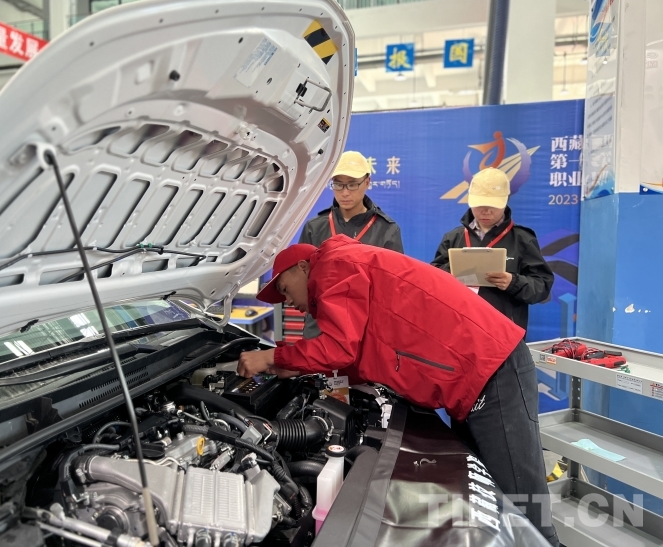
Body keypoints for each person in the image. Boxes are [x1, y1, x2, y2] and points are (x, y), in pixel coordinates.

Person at [238, 236, 560, 547]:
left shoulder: (334, 266)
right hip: (474, 376)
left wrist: (272, 358)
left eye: (285, 289)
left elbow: (339, 348)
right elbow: (358, 355)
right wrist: (299, 367)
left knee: (525, 513)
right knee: (492, 509)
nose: (289, 303)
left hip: (491, 367)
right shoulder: (345, 267)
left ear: (303, 267)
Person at [431, 167, 554, 332]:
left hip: (504, 331)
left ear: (505, 202)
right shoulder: (453, 238)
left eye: (493, 206)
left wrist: (513, 282)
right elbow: (433, 278)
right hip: (460, 328)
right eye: (480, 205)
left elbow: (542, 286)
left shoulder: (523, 239)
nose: (486, 211)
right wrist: (451, 272)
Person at [297, 150, 403, 338]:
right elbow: (300, 278)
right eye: (338, 184)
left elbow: (393, 288)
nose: (345, 192)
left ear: (367, 182)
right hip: (320, 328)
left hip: (365, 330)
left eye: (352, 184)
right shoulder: (315, 227)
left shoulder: (387, 230)